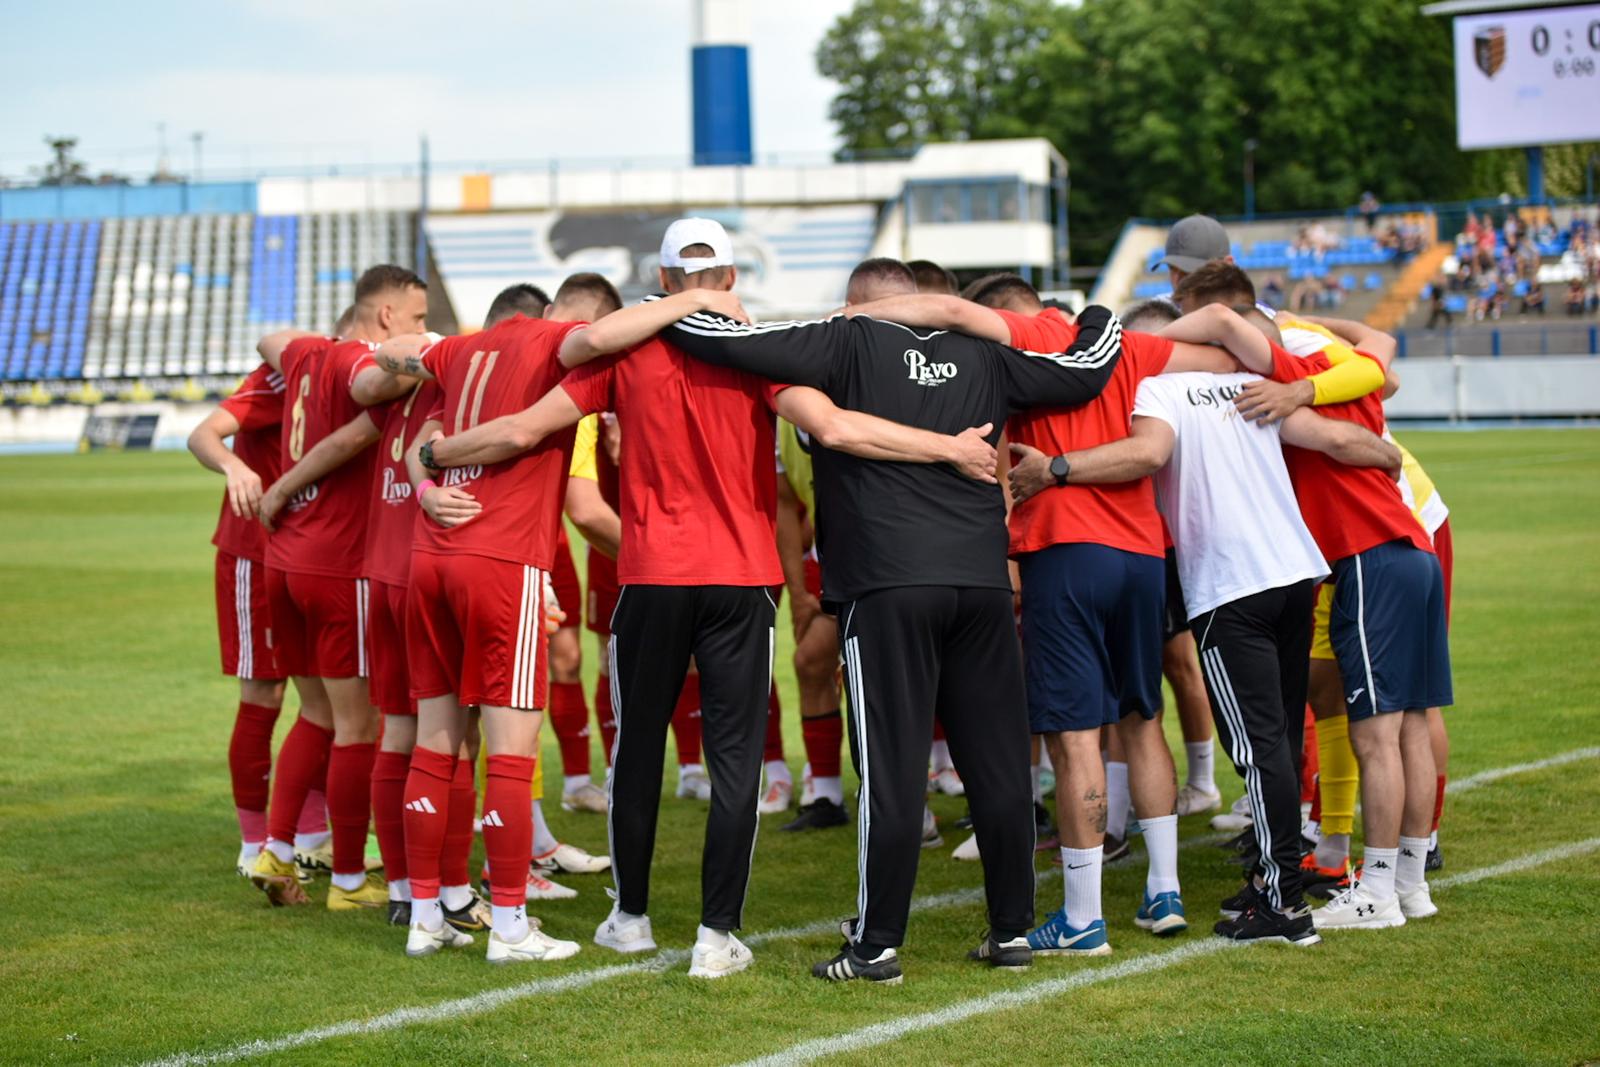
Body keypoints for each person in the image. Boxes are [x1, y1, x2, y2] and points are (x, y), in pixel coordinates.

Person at [421, 223, 995, 979]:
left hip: (651, 574)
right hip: (741, 578)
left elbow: (526, 428)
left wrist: (435, 458)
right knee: (734, 766)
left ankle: (629, 918)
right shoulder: (758, 351)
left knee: (636, 754)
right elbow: (835, 428)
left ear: (662, 276)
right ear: (728, 277)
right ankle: (715, 935)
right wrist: (949, 446)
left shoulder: (627, 350)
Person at [657, 255, 1126, 982]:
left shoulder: (841, 341)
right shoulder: (987, 353)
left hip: (886, 584)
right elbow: (1090, 369)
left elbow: (706, 334)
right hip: (979, 582)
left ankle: (875, 943)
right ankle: (1010, 931)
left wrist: (691, 297)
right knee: (999, 765)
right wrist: (1099, 309)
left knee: (892, 770)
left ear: (854, 305)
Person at [843, 276, 1240, 955]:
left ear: (1001, 314)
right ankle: (1163, 888)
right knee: (1143, 720)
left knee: (1075, 736)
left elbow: (941, 311)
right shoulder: (1120, 344)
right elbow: (1226, 362)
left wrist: (847, 317)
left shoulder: (1020, 340)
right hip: (1143, 552)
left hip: (1064, 548)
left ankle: (1084, 915)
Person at [1020, 296, 1401, 946]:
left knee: (1256, 752)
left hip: (1232, 584)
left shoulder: (1157, 390)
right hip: (1294, 573)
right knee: (1277, 737)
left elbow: (1146, 453)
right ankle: (1273, 882)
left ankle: (1283, 901)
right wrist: (1388, 458)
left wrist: (1056, 468)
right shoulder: (1247, 384)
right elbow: (1337, 438)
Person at [1173, 283, 1451, 931]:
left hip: (1367, 554)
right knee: (1409, 725)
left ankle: (1378, 888)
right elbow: (1379, 352)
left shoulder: (1286, 375)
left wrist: (1140, 342)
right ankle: (1409, 881)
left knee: (1374, 732)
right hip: (1413, 550)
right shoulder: (1337, 370)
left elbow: (1225, 318)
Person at [245, 264, 428, 910]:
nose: (421, 329)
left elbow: (271, 338)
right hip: (336, 563)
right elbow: (374, 383)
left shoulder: (304, 353)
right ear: (385, 318)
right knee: (360, 724)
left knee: (316, 713)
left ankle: (276, 847)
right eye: (416, 319)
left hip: (285, 560)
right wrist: (414, 362)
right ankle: (350, 878)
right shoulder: (355, 364)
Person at [187, 364, 322, 878]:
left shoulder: (356, 371)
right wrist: (234, 467)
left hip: (317, 558)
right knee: (264, 696)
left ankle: (312, 834)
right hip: (255, 554)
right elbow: (203, 434)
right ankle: (253, 842)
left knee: (331, 700)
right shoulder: (283, 376)